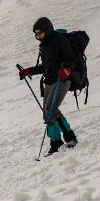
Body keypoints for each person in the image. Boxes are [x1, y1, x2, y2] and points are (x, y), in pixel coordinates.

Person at [18, 17, 79, 154]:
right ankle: (56, 142)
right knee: (47, 113)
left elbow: (71, 59)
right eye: (36, 34)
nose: (38, 36)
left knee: (51, 110)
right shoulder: (44, 45)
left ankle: (70, 137)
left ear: (47, 30)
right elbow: (46, 67)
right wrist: (28, 71)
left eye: (40, 33)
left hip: (62, 80)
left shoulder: (60, 40)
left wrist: (67, 69)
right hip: (50, 80)